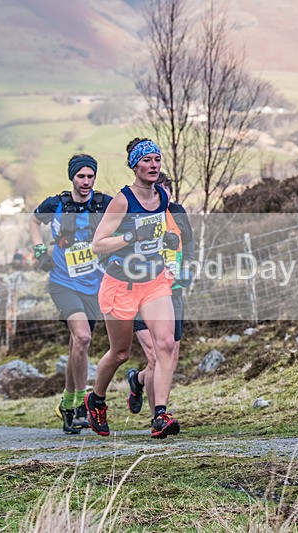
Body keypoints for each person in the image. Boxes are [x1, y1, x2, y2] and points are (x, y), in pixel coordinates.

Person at [88, 138, 182, 439]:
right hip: (121, 283)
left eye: (157, 159)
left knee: (165, 344)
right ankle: (96, 400)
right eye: (147, 160)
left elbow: (160, 230)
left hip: (154, 279)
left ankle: (160, 415)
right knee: (120, 353)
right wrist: (130, 238)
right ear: (135, 165)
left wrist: (165, 240)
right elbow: (97, 244)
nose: (154, 165)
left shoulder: (163, 195)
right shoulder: (123, 201)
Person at [29, 154, 112, 434]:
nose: (86, 182)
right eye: (81, 176)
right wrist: (40, 251)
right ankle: (79, 406)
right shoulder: (56, 204)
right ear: (72, 178)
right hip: (63, 283)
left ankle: (66, 404)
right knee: (84, 337)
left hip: (94, 285)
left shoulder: (103, 203)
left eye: (90, 176)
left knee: (78, 346)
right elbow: (33, 222)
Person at [126, 172, 194, 420]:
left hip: (172, 292)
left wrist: (187, 266)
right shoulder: (136, 215)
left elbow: (189, 243)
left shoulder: (177, 212)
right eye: (156, 192)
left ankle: (138, 379)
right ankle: (158, 416)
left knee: (170, 357)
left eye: (165, 192)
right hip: (143, 293)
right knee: (155, 355)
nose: (160, 197)